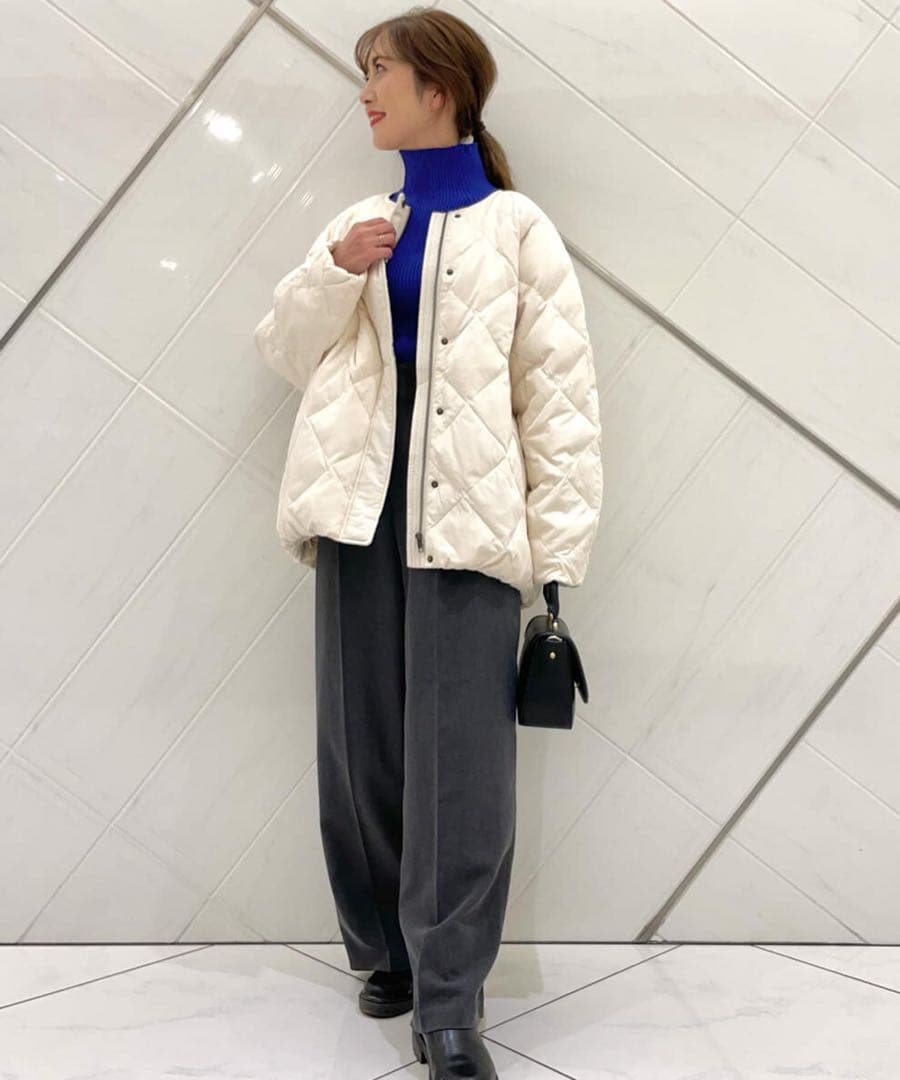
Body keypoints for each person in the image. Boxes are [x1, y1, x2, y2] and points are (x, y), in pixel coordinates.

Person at [254, 8, 603, 1078]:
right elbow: (283, 352)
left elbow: (560, 402)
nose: (365, 92)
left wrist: (556, 558)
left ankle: (450, 1001)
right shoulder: (362, 223)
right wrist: (334, 268)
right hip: (358, 518)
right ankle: (386, 954)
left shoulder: (517, 229)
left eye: (380, 72)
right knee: (361, 748)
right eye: (365, 72)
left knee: (463, 774)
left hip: (470, 527)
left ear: (438, 90)